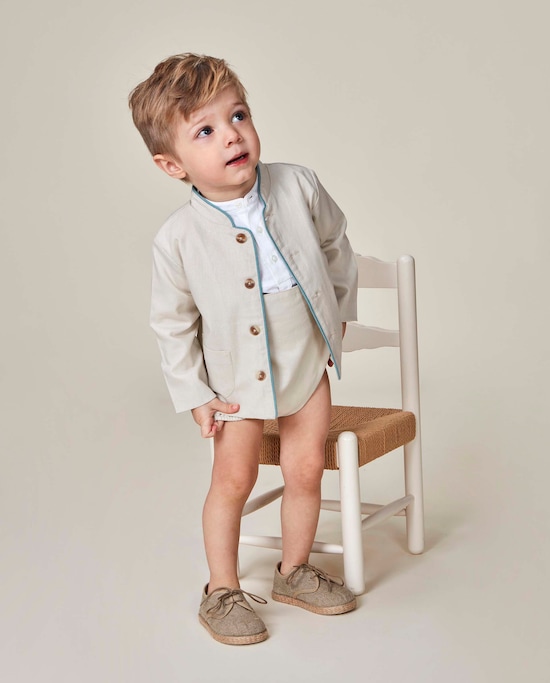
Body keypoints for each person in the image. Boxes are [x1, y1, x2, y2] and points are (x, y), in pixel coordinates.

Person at [129, 53, 358, 645]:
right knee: (233, 479)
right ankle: (222, 589)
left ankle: (294, 571)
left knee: (306, 468)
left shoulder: (299, 185)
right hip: (235, 378)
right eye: (205, 131)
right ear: (172, 164)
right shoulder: (178, 238)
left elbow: (335, 245)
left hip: (305, 360)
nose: (232, 135)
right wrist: (195, 393)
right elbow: (172, 324)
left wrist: (335, 318)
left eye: (238, 115)